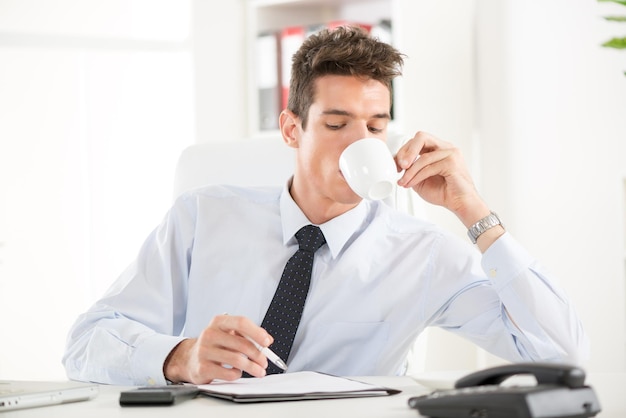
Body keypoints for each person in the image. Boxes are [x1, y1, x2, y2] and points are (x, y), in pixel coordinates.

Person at [63, 26, 588, 386]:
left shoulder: (422, 253)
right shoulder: (203, 217)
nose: (362, 143)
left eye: (376, 127)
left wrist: (475, 212)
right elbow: (87, 342)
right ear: (292, 128)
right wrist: (182, 357)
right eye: (337, 125)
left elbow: (560, 354)